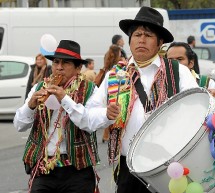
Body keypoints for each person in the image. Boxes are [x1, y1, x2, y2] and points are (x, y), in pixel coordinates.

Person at [94, 6, 198, 193]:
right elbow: (91, 112)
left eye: (148, 35)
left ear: (160, 43)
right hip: (129, 169)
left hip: (169, 166)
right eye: (137, 34)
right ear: (130, 40)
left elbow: (195, 110)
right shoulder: (115, 75)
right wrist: (105, 114)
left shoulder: (177, 72)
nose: (141, 39)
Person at [14, 40, 102, 193]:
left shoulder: (90, 90)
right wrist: (31, 106)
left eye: (66, 63)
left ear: (78, 68)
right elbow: (19, 125)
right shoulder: (40, 87)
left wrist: (65, 99)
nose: (59, 67)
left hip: (77, 170)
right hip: (44, 168)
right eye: (56, 62)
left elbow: (88, 123)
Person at [100, 44, 125, 143]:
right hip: (115, 84)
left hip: (106, 84)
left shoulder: (107, 58)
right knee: (115, 110)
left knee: (108, 109)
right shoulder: (119, 62)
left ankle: (105, 134)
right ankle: (113, 133)